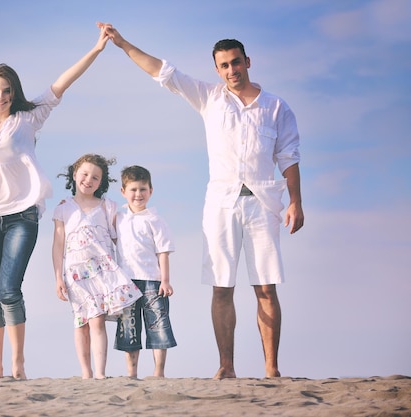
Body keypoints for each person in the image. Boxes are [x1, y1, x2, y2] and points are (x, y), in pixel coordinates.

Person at [101, 22, 304, 379]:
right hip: (221, 203)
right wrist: (121, 43)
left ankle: (271, 368)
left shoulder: (275, 107)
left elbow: (289, 156)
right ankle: (227, 366)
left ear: (248, 61)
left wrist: (295, 202)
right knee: (222, 286)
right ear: (217, 69)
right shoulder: (209, 97)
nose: (232, 70)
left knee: (266, 287)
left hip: (262, 203)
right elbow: (162, 72)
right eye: (224, 65)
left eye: (236, 62)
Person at [0, 27, 110, 380]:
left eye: (7, 90)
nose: (1, 96)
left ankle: (18, 363)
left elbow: (62, 83)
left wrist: (97, 49)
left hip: (22, 217)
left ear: (15, 93)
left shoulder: (28, 118)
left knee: (10, 290)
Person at [52, 154, 143, 379]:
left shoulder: (107, 206)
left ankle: (100, 373)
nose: (88, 180)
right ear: (74, 175)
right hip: (75, 274)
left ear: (101, 182)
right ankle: (86, 372)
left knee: (98, 319)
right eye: (84, 174)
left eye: (95, 177)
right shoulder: (63, 208)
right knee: (81, 322)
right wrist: (58, 278)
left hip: (103, 271)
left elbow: (120, 238)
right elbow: (57, 245)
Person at [114, 165, 177, 378]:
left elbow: (163, 252)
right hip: (126, 282)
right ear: (123, 192)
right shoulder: (119, 218)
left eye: (143, 189)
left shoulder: (156, 220)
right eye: (133, 189)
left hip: (152, 281)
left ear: (150, 191)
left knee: (157, 325)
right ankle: (131, 373)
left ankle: (158, 372)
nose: (138, 194)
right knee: (129, 329)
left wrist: (165, 281)